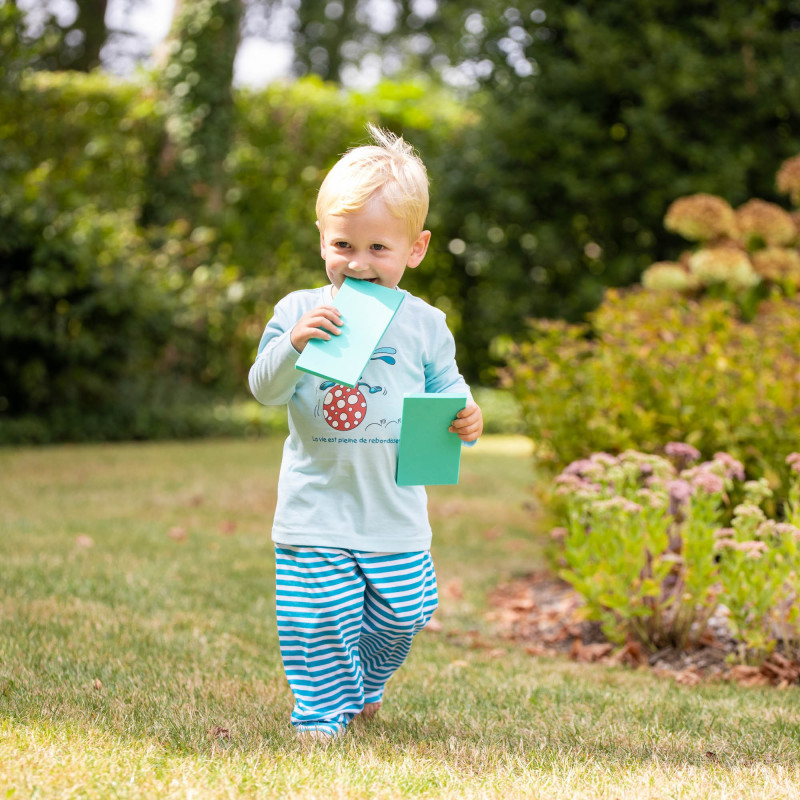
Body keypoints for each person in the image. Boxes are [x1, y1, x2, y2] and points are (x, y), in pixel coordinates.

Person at [248, 124, 483, 740]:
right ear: (322, 240)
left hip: (394, 512)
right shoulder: (298, 312)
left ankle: (368, 681)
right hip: (316, 507)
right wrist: (295, 346)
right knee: (318, 619)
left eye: (379, 248)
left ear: (416, 248)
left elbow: (448, 391)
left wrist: (467, 415)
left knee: (405, 615)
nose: (358, 263)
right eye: (343, 244)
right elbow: (264, 389)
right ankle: (320, 715)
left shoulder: (427, 325)